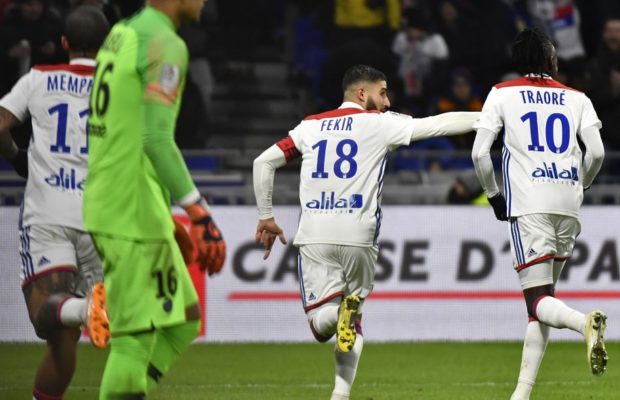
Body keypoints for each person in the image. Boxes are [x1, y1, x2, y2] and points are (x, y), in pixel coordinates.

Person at [253, 64, 479, 400]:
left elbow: (263, 163)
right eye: (382, 92)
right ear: (362, 93)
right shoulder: (380, 124)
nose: (387, 101)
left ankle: (337, 316)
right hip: (360, 234)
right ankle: (339, 394)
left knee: (320, 326)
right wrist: (487, 118)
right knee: (353, 318)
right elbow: (438, 125)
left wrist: (266, 216)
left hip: (315, 234)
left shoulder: (310, 126)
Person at [83, 0, 226, 398]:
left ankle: (133, 392)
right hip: (128, 207)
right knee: (132, 339)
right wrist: (198, 213)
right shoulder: (165, 42)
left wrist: (163, 214)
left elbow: (126, 127)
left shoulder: (123, 32)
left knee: (183, 318)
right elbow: (155, 139)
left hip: (131, 200)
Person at [471, 28, 607, 400]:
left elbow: (480, 154)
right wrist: (583, 184)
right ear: (549, 58)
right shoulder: (577, 98)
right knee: (544, 303)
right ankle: (522, 393)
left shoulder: (502, 94)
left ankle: (584, 324)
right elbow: (596, 153)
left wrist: (494, 196)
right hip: (568, 203)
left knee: (537, 301)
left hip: (530, 204)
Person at [0, 6, 110, 400]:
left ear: (64, 43)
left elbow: (0, 124)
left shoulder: (39, 78)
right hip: (101, 218)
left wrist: (16, 157)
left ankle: (83, 309)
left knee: (49, 321)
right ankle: (91, 308)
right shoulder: (117, 88)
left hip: (48, 213)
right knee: (76, 338)